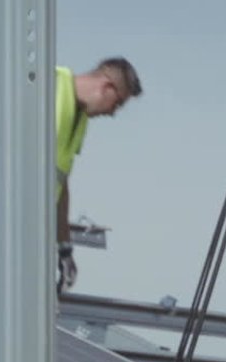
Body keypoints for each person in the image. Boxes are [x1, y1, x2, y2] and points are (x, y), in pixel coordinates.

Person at [52, 57, 142, 291]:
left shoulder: (79, 119)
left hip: (26, 232)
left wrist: (64, 248)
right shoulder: (48, 86)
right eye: (117, 103)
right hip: (2, 226)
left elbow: (60, 187)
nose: (113, 113)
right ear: (106, 87)